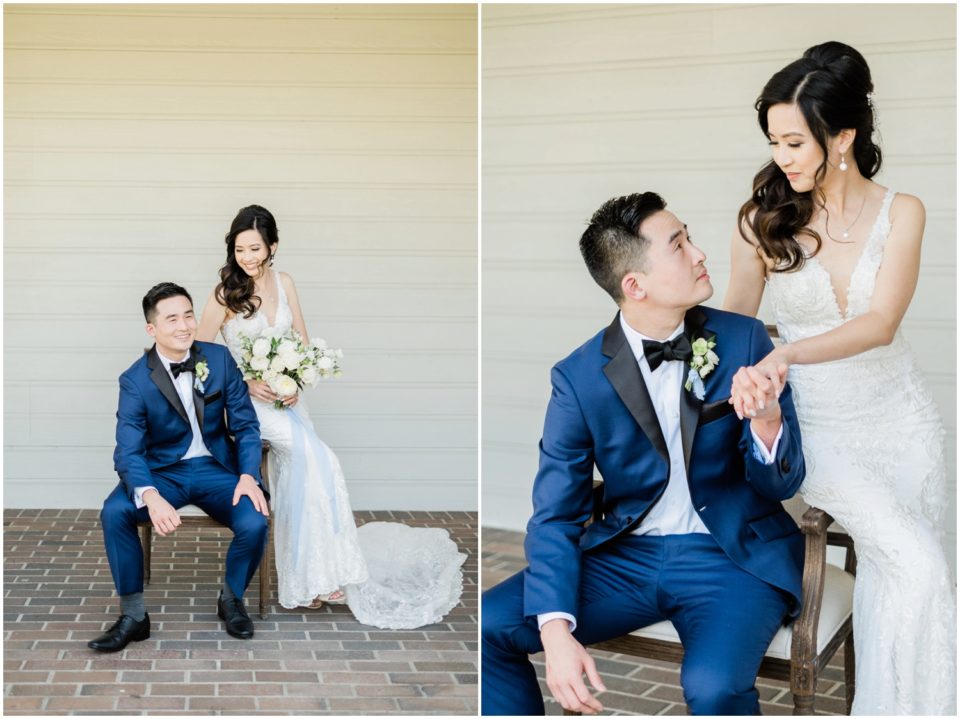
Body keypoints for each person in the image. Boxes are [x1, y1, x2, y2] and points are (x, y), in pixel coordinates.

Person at [481, 191, 806, 715]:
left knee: (714, 686)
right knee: (488, 626)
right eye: (679, 246)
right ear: (635, 285)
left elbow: (781, 485)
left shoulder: (744, 339)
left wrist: (768, 420)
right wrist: (557, 630)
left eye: (690, 237)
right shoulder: (578, 376)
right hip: (626, 555)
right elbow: (557, 512)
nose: (700, 253)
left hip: (731, 555)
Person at [723, 41, 956, 715]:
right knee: (921, 565)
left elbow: (882, 321)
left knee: (899, 575)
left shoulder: (902, 211)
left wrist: (788, 352)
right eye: (775, 140)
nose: (783, 156)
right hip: (822, 428)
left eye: (796, 140)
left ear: (843, 134)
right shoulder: (761, 219)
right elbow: (738, 319)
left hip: (902, 417)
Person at [197, 205, 465, 628]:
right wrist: (246, 382)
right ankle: (316, 576)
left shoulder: (284, 284)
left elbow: (302, 343)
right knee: (323, 461)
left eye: (254, 248)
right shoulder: (223, 295)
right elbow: (201, 356)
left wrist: (295, 381)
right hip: (246, 406)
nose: (246, 257)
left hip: (287, 401)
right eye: (239, 249)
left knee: (309, 470)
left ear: (273, 247)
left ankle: (317, 574)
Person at [89, 282, 269, 652]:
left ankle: (231, 598)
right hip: (162, 473)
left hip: (216, 468)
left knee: (255, 520)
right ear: (152, 329)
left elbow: (246, 425)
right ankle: (134, 615)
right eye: (172, 319)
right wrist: (150, 494)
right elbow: (128, 450)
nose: (185, 325)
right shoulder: (135, 380)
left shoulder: (218, 360)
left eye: (189, 315)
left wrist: (249, 476)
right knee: (115, 511)